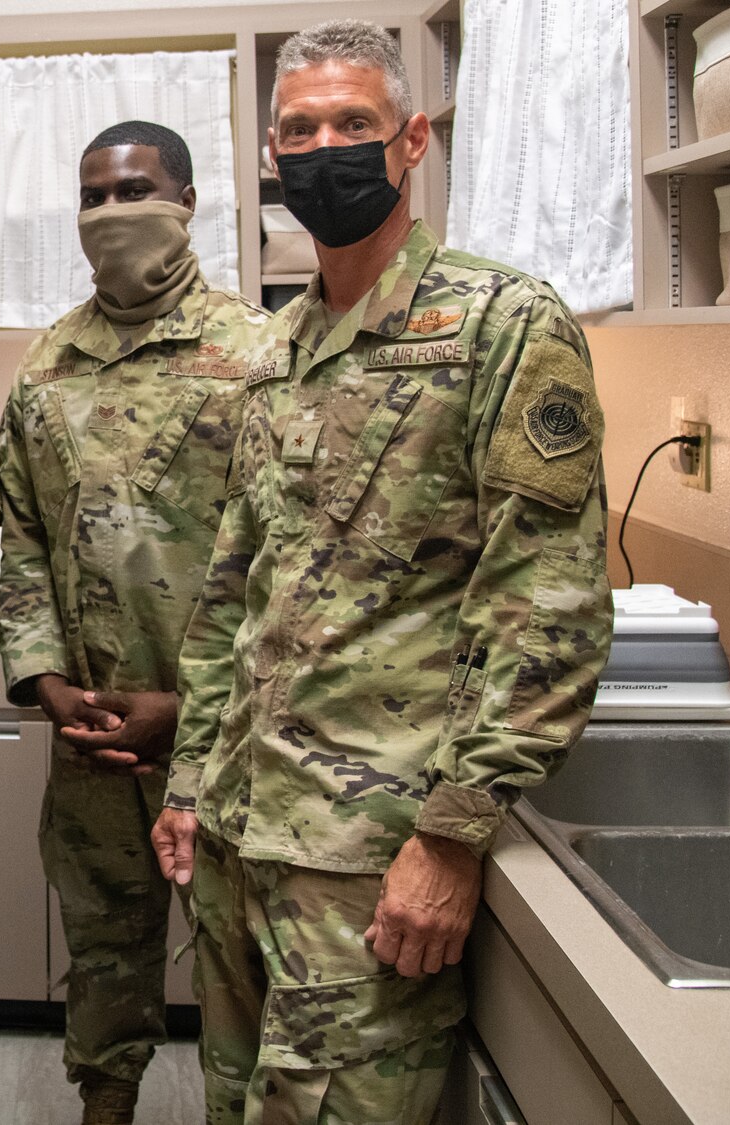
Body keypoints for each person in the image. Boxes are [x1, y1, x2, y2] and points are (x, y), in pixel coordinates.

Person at [150, 20, 613, 1124]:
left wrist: (451, 835)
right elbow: (235, 593)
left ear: (409, 141)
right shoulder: (275, 351)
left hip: (370, 854)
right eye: (297, 131)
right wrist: (185, 782)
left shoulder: (500, 323)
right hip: (236, 831)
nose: (323, 149)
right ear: (270, 158)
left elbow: (543, 601)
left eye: (351, 124)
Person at [0, 121, 277, 1125]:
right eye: (93, 197)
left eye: (134, 191)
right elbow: (16, 537)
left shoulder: (257, 354)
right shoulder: (46, 366)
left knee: (236, 973)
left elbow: (288, 568)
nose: (111, 214)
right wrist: (43, 681)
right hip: (92, 742)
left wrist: (193, 702)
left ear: (188, 200)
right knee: (103, 958)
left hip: (225, 739)